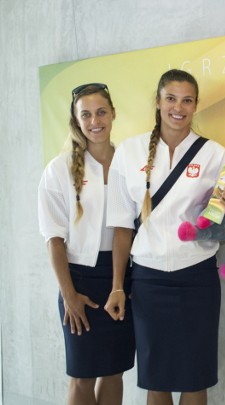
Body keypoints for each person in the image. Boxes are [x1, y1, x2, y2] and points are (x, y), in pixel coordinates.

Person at [104, 69, 225, 405]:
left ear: (196, 105)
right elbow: (122, 229)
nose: (178, 107)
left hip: (197, 277)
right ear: (158, 101)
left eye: (187, 100)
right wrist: (117, 285)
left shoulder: (215, 155)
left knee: (195, 380)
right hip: (148, 282)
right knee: (158, 380)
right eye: (170, 98)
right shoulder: (129, 151)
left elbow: (222, 228)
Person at [38, 83, 135, 405]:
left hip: (121, 279)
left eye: (101, 112)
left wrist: (119, 284)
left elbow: (127, 229)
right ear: (76, 120)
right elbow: (54, 240)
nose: (95, 120)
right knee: (81, 375)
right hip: (77, 280)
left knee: (114, 371)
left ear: (113, 114)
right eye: (86, 114)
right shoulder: (59, 169)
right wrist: (69, 296)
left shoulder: (130, 164)